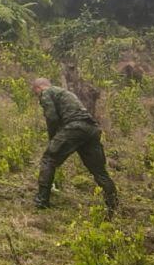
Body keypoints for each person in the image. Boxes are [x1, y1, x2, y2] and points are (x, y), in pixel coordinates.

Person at [31, 78, 117, 213]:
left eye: (36, 92)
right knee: (99, 171)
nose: (37, 95)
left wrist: (52, 139)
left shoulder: (46, 92)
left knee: (49, 159)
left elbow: (52, 117)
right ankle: (113, 205)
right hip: (91, 129)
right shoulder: (65, 93)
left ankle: (41, 201)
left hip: (74, 127)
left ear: (38, 88)